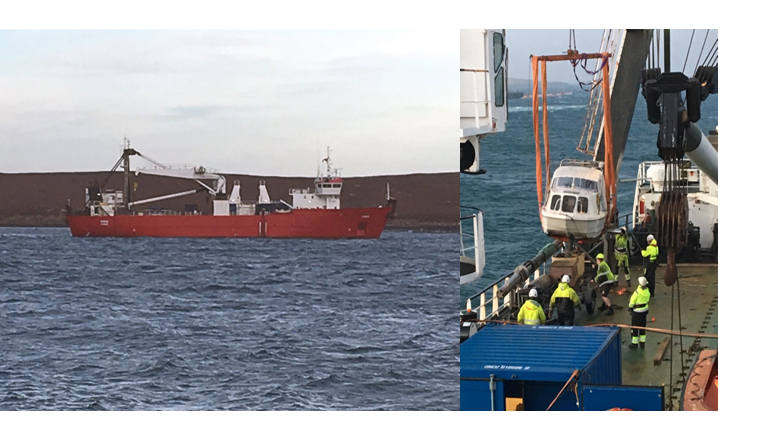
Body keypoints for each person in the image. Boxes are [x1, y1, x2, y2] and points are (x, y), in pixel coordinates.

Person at [628, 276, 652, 349]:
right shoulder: (647, 291)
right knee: (642, 327)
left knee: (634, 328)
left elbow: (632, 302)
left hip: (637, 312)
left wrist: (630, 308)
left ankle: (634, 344)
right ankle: (642, 343)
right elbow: (648, 299)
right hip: (644, 311)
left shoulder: (637, 292)